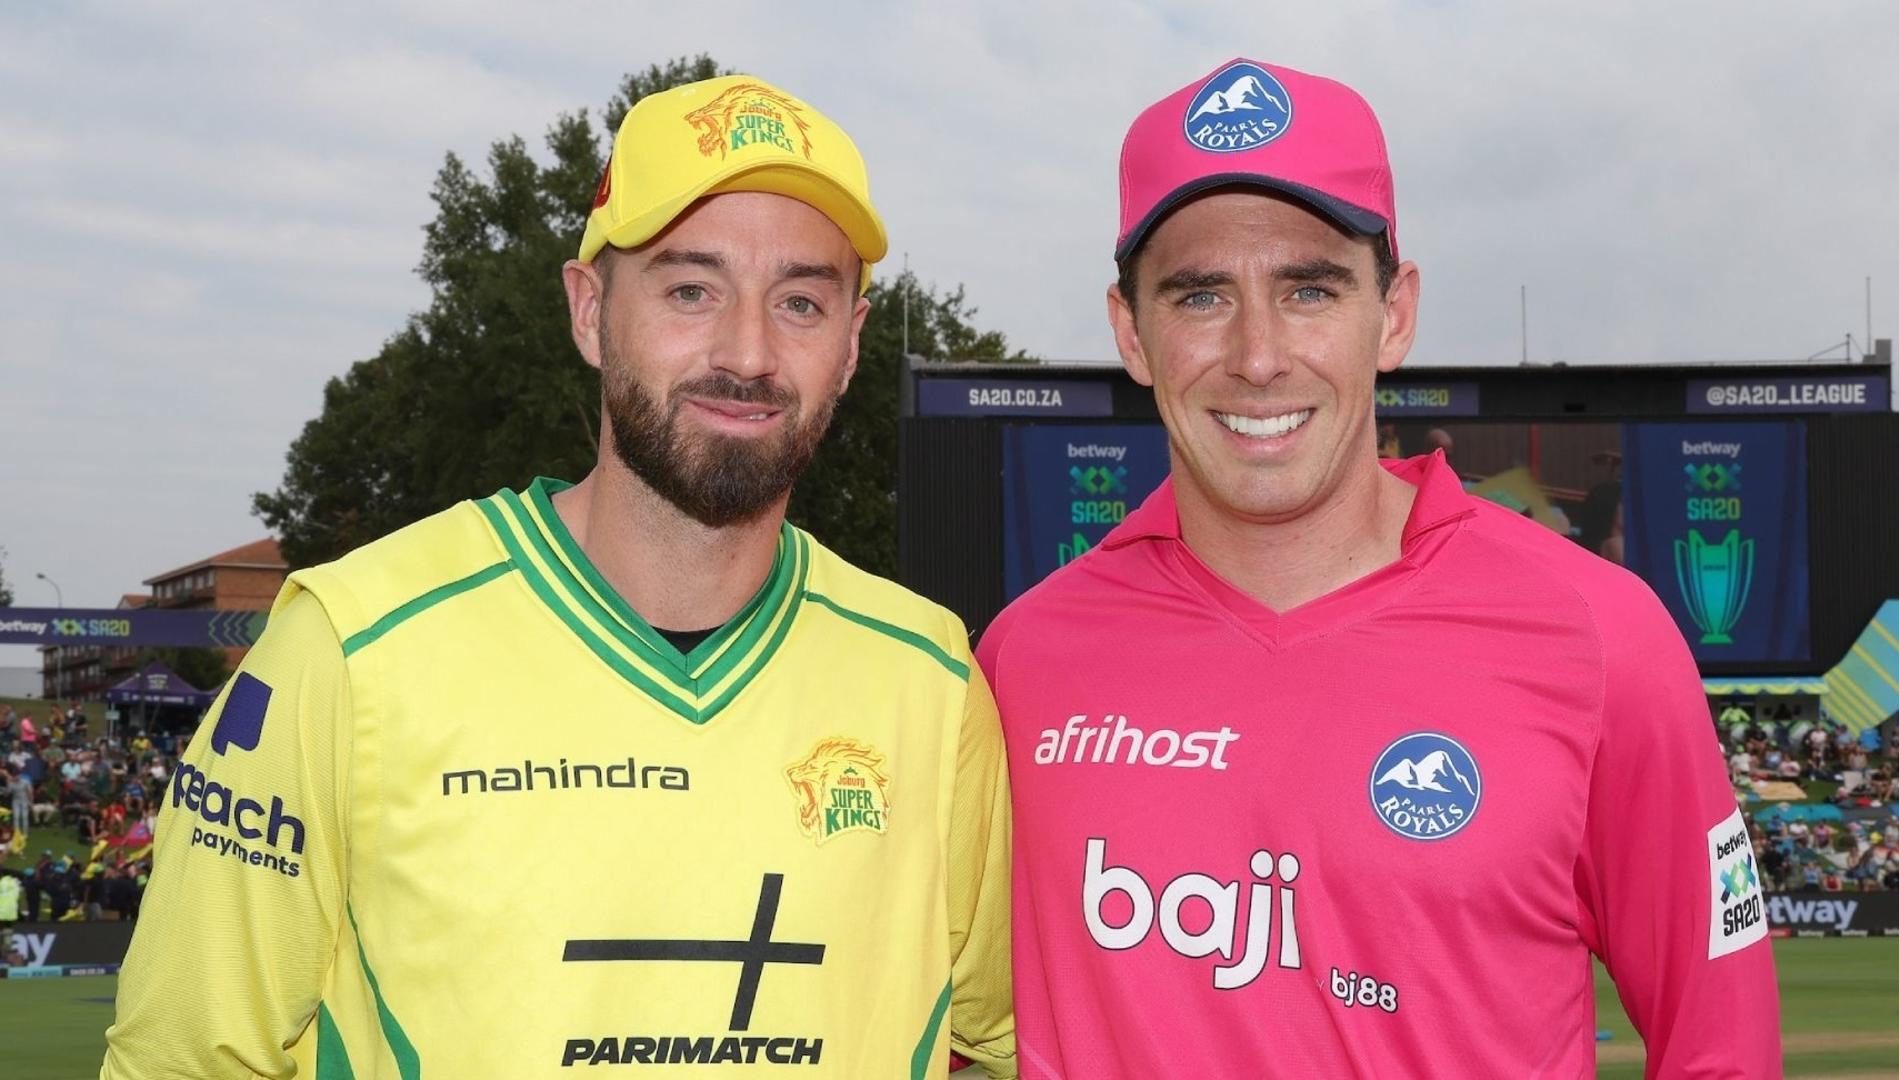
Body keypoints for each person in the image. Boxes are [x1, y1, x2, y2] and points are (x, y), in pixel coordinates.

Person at [104, 74, 1014, 1078]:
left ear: (850, 345)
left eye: (801, 301)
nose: (749, 352)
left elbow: (1012, 1039)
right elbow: (185, 1059)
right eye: (691, 289)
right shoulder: (352, 646)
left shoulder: (932, 681)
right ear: (590, 311)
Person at [979, 58, 1780, 1076]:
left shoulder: (1601, 637)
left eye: (1310, 290)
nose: (1259, 355)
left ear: (1394, 314)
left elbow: (1723, 1050)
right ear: (1132, 333)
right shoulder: (1024, 663)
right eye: (1201, 296)